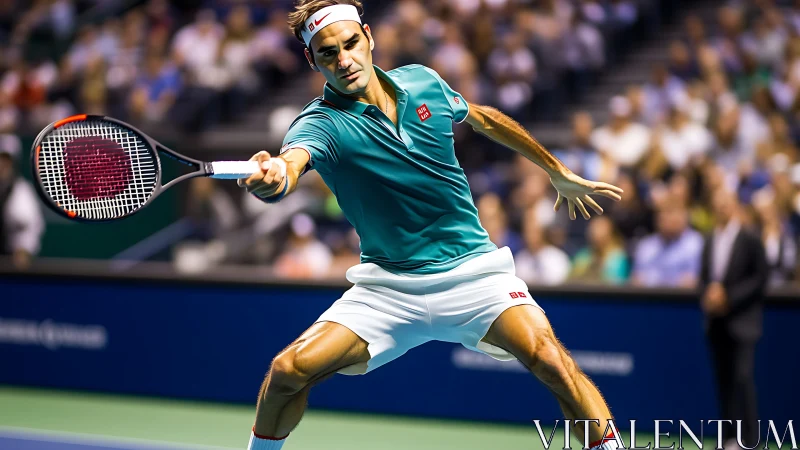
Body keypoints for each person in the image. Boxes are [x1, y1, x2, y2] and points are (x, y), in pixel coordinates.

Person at [239, 2, 624, 449]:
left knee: (552, 361)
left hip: (474, 276)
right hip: (388, 290)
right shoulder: (319, 123)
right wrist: (275, 177)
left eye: (350, 44)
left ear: (368, 37)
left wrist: (554, 168)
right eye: (327, 53)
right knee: (288, 371)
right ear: (312, 60)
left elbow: (482, 118)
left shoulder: (423, 81)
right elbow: (291, 164)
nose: (343, 60)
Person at [699, 188, 768, 450]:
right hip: (716, 323)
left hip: (743, 322)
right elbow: (704, 278)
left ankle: (750, 440)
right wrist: (708, 295)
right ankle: (728, 438)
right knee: (723, 382)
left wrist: (728, 298)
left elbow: (760, 279)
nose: (722, 208)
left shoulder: (750, 238)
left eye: (726, 204)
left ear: (735, 205)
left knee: (742, 379)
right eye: (717, 204)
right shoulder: (709, 238)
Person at [0, 137, 45, 269]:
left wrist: (23, 251)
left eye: (6, 160)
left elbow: (31, 228)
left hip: (7, 264)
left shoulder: (22, 191)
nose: (2, 164)